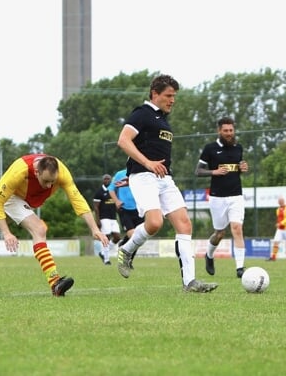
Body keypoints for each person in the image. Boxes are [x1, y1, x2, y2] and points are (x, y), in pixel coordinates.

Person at [0, 154, 108, 296]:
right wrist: (7, 233)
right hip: (11, 196)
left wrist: (94, 228)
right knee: (39, 229)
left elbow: (77, 200)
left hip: (26, 199)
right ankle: (55, 282)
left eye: (52, 182)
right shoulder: (19, 171)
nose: (49, 186)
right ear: (37, 172)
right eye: (46, 181)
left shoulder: (61, 173)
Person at [115, 74, 218, 293]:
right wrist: (143, 167)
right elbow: (123, 141)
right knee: (154, 223)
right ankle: (127, 249)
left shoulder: (163, 120)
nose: (173, 100)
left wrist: (139, 169)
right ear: (154, 94)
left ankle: (190, 282)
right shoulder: (142, 113)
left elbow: (148, 147)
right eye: (168, 95)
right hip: (144, 176)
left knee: (184, 224)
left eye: (174, 96)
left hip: (164, 178)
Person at [195, 116, 249, 278]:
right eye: (225, 130)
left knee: (237, 229)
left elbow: (237, 168)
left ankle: (240, 268)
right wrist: (214, 172)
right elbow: (198, 171)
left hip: (236, 196)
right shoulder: (210, 148)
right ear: (219, 131)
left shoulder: (238, 148)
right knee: (219, 233)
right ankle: (209, 256)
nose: (228, 133)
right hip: (217, 197)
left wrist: (243, 168)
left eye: (231, 130)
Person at [107, 167, 143, 270]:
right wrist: (117, 201)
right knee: (133, 235)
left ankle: (127, 254)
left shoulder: (141, 174)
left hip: (139, 209)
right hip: (124, 209)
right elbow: (111, 189)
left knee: (139, 237)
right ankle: (126, 254)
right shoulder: (120, 174)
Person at [93, 173, 122, 265]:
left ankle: (102, 253)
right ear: (102, 180)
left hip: (113, 218)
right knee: (107, 237)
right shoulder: (99, 192)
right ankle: (106, 260)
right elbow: (96, 207)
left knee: (117, 237)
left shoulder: (113, 191)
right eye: (105, 179)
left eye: (108, 179)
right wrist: (97, 220)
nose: (107, 180)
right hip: (104, 218)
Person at [267, 196, 286, 261]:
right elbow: (279, 218)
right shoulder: (278, 210)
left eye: (281, 201)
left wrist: (281, 223)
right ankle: (273, 257)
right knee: (276, 241)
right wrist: (279, 224)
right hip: (280, 229)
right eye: (279, 201)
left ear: (283, 201)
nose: (279, 202)